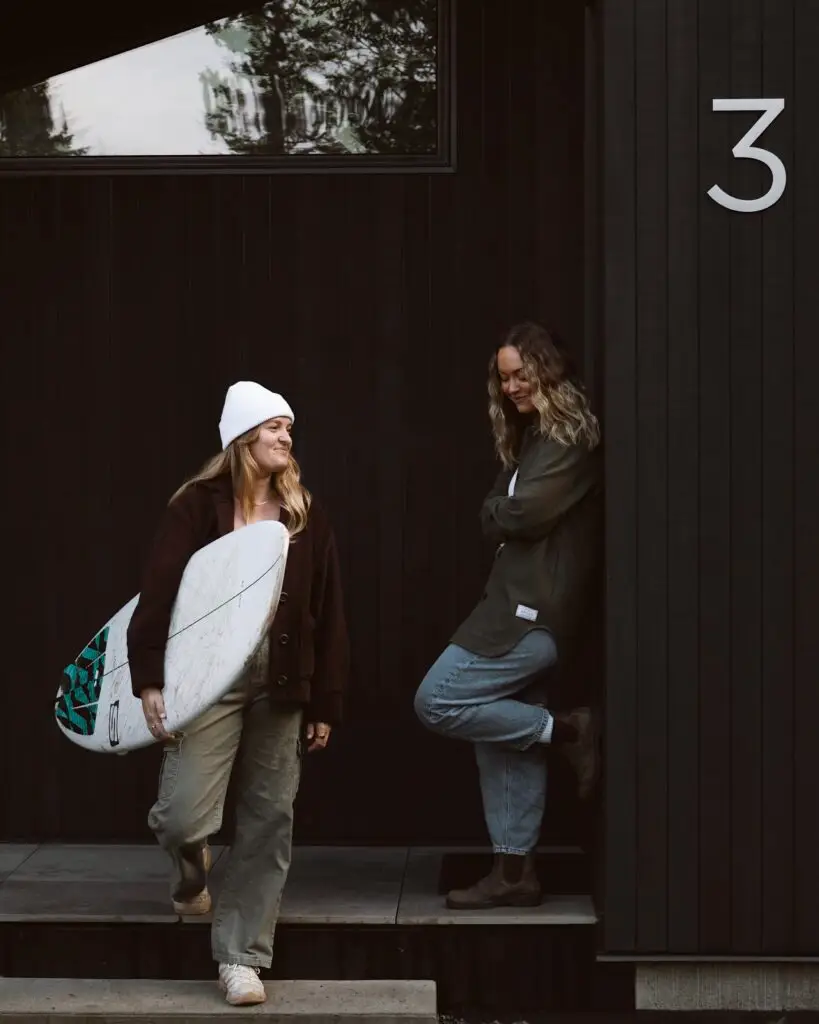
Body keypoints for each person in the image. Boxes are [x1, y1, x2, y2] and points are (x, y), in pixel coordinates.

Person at [126, 381, 349, 1005]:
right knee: (182, 816)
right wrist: (149, 678)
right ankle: (190, 868)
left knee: (269, 818)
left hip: (282, 679)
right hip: (206, 676)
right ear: (244, 437)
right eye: (274, 427)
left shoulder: (303, 511)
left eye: (289, 429)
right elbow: (159, 592)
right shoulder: (196, 506)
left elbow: (329, 610)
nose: (286, 438)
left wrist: (325, 701)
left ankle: (241, 958)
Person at [414, 322, 602, 910]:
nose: (512, 386)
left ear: (548, 369)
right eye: (504, 378)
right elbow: (498, 508)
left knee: (438, 699)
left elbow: (523, 512)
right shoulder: (533, 440)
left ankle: (570, 731)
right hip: (514, 606)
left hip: (531, 613)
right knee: (504, 739)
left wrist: (502, 510)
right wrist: (502, 509)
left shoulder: (569, 437)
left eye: (522, 374)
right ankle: (514, 873)